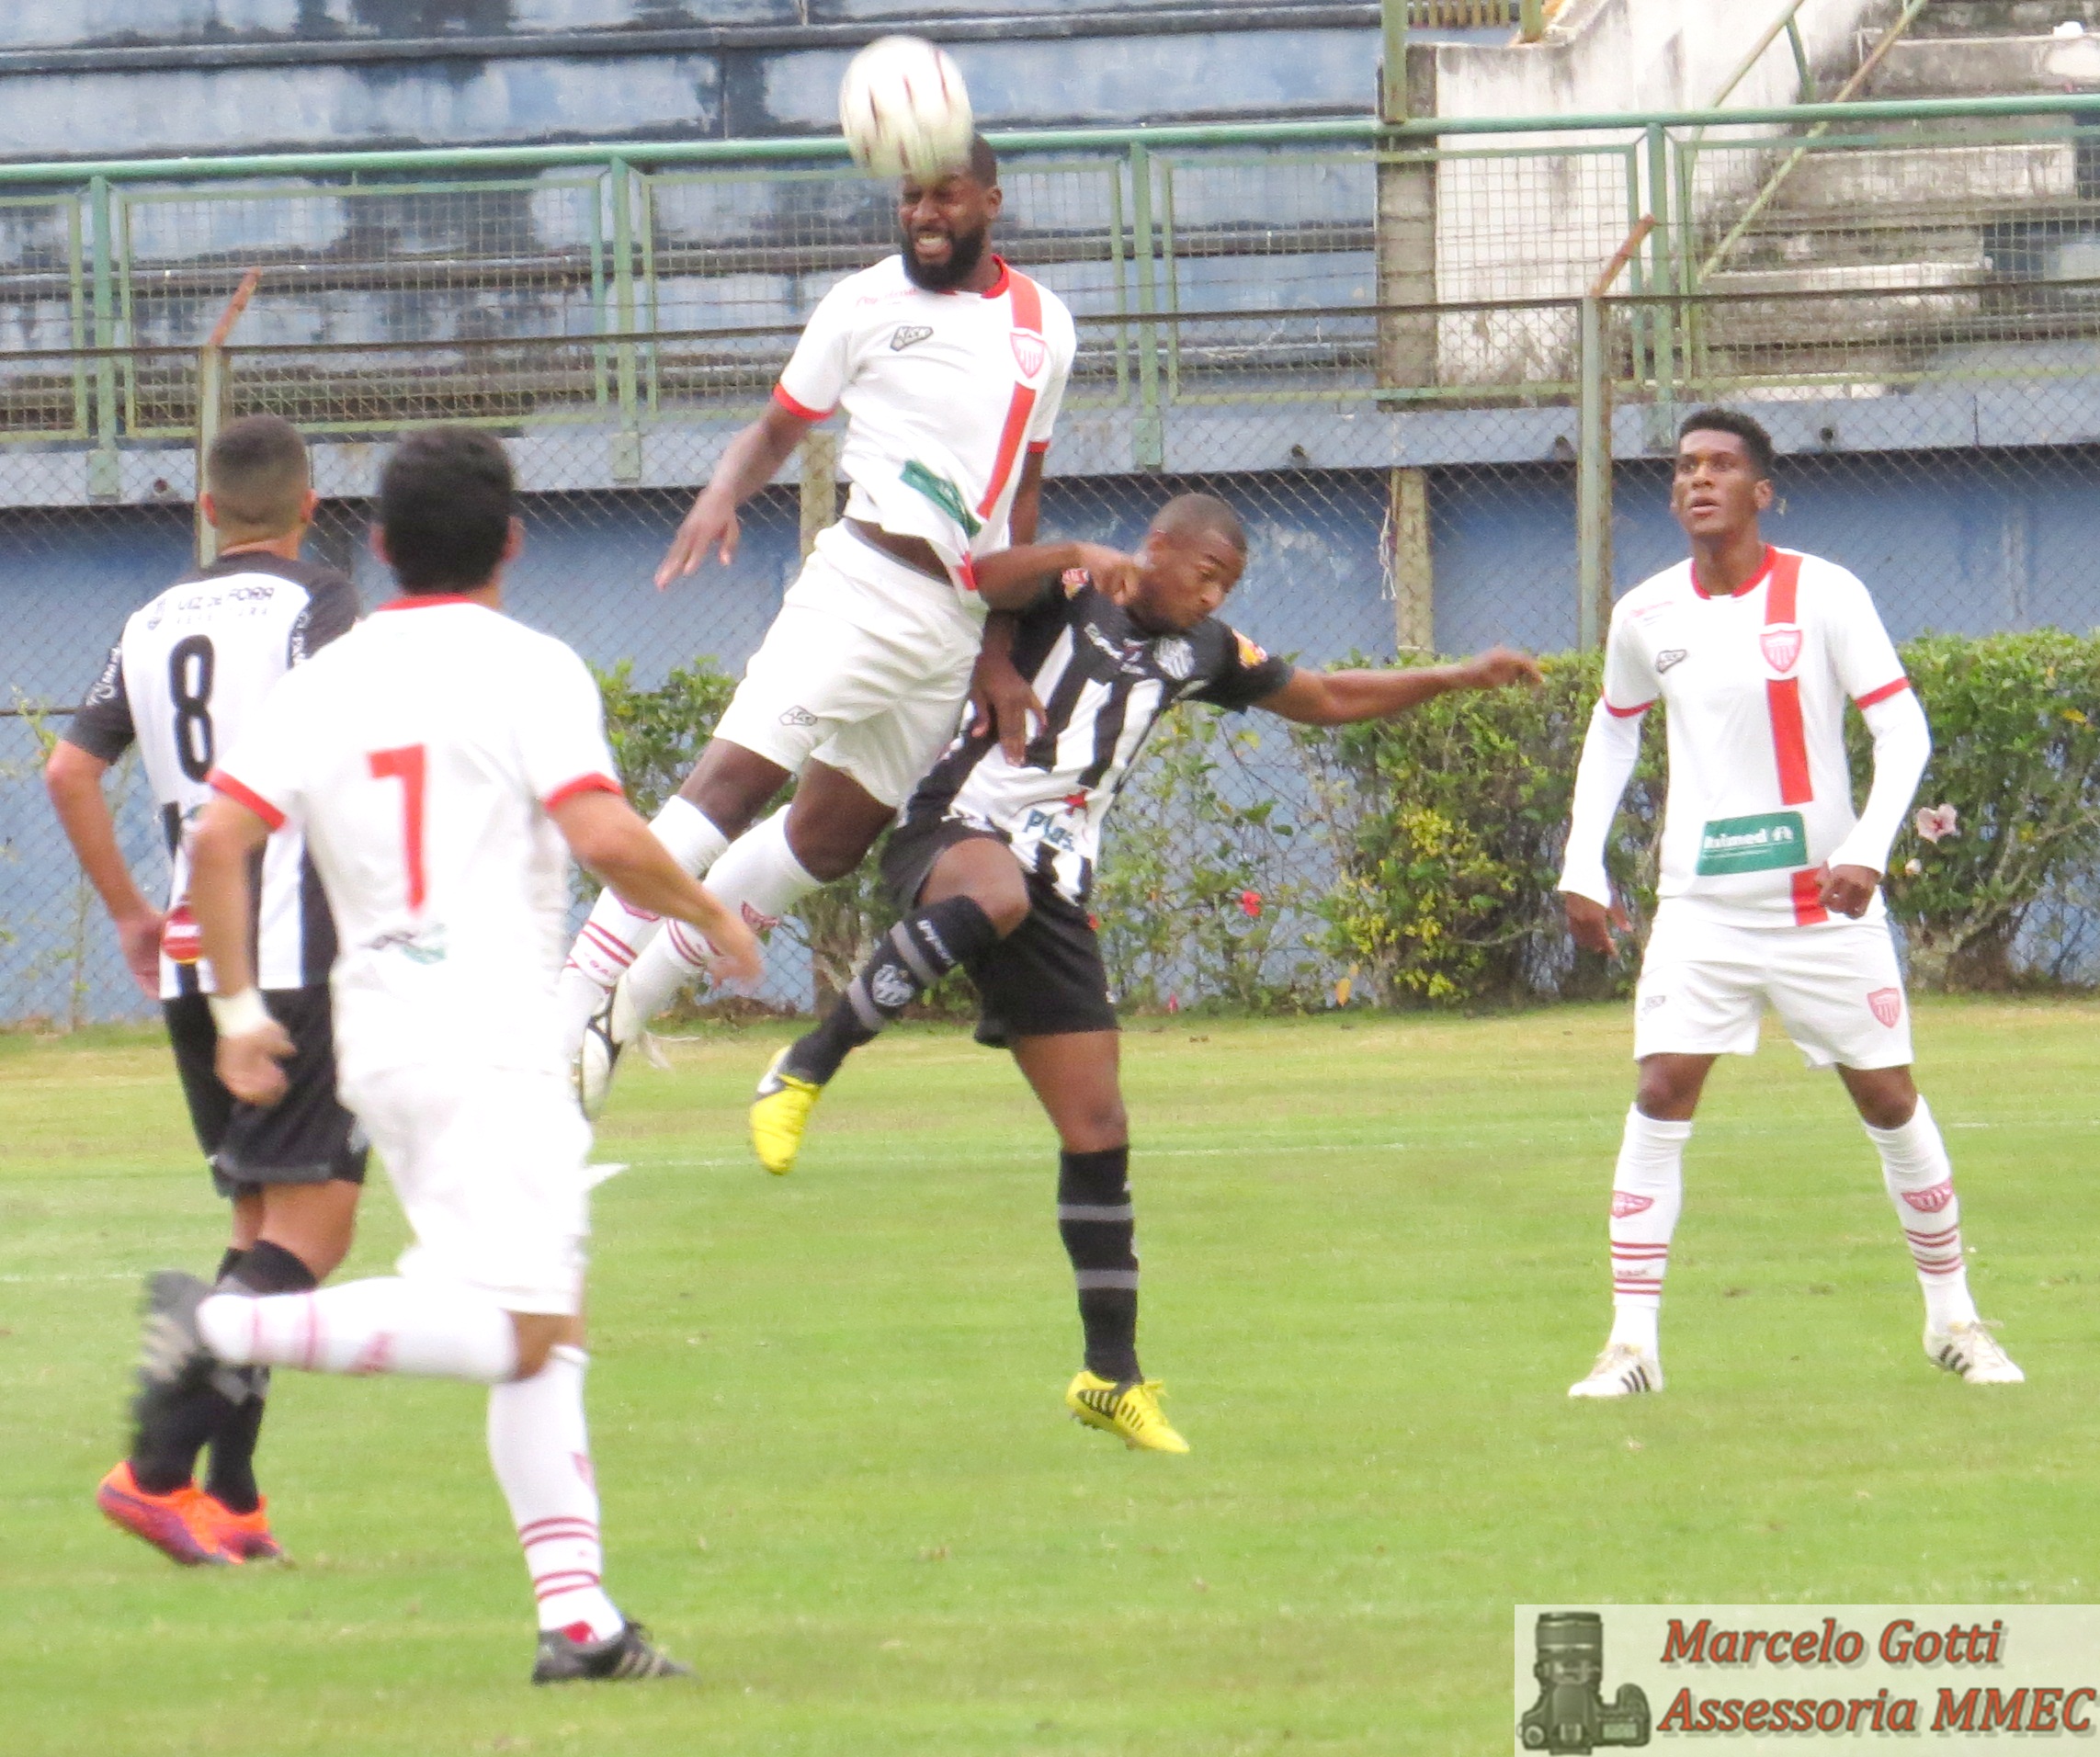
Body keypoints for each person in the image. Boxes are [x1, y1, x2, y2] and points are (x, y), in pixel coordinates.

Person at [130, 426, 763, 1683]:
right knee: (520, 1332)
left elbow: (219, 839)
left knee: (550, 1323)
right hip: (490, 1034)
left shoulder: (325, 679)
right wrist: (708, 914)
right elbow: (600, 830)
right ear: (512, 542)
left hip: (379, 1036)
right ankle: (230, 1330)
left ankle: (577, 1619)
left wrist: (245, 1008)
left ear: (375, 544)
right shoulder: (529, 667)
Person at [744, 493, 1540, 1451]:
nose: (1211, 597)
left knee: (1097, 1128)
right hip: (957, 828)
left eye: (1227, 586)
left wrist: (1457, 676)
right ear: (1155, 549)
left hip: (1057, 881)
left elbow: (1322, 698)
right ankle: (805, 1065)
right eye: (1203, 573)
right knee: (990, 896)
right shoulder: (1075, 583)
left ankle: (1109, 1378)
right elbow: (980, 581)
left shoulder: (1204, 654)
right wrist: (1074, 549)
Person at [558, 133, 1077, 1115]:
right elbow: (776, 429)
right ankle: (570, 1005)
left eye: (945, 196)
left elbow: (1021, 496)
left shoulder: (1045, 325)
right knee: (728, 786)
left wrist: (998, 653)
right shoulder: (860, 303)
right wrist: (721, 492)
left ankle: (628, 1009)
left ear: (991, 201)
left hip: (954, 622)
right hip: (860, 583)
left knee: (827, 840)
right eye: (909, 196)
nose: (924, 214)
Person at [1557, 407, 2022, 1399]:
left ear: (1759, 492)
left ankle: (1953, 1321)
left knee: (1887, 1098)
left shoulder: (1824, 593)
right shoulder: (1643, 613)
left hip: (1823, 909)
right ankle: (1629, 1346)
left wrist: (1866, 849)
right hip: (1699, 912)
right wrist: (1579, 864)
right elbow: (1612, 735)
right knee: (1656, 1092)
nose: (1698, 480)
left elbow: (1901, 731)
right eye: (1685, 466)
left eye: (1721, 466)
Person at [46, 414, 366, 1567]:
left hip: (194, 955)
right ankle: (154, 1465)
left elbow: (70, 768)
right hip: (292, 951)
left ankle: (231, 1496)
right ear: (310, 505)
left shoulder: (149, 619)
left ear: (207, 508)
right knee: (315, 1230)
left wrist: (135, 908)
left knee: (256, 1224)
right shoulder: (320, 605)